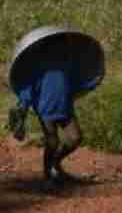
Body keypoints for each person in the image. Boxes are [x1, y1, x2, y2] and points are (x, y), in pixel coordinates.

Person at [7, 35, 103, 190]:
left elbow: (79, 82)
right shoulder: (38, 66)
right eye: (60, 45)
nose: (63, 48)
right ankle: (48, 177)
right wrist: (22, 109)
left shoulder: (68, 63)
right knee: (52, 141)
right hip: (45, 109)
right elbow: (27, 90)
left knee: (75, 138)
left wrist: (95, 79)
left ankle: (55, 163)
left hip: (65, 107)